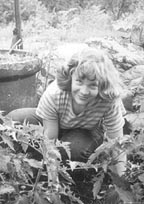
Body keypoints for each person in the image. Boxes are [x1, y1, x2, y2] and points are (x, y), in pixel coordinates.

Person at [7, 47, 127, 176]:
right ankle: (26, 164)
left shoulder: (108, 100)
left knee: (73, 150)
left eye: (93, 85)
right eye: (79, 82)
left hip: (87, 130)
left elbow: (117, 144)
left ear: (103, 85)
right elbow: (50, 139)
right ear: (70, 77)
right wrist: (52, 181)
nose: (84, 91)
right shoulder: (55, 94)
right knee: (13, 119)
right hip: (56, 123)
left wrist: (121, 181)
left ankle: (75, 169)